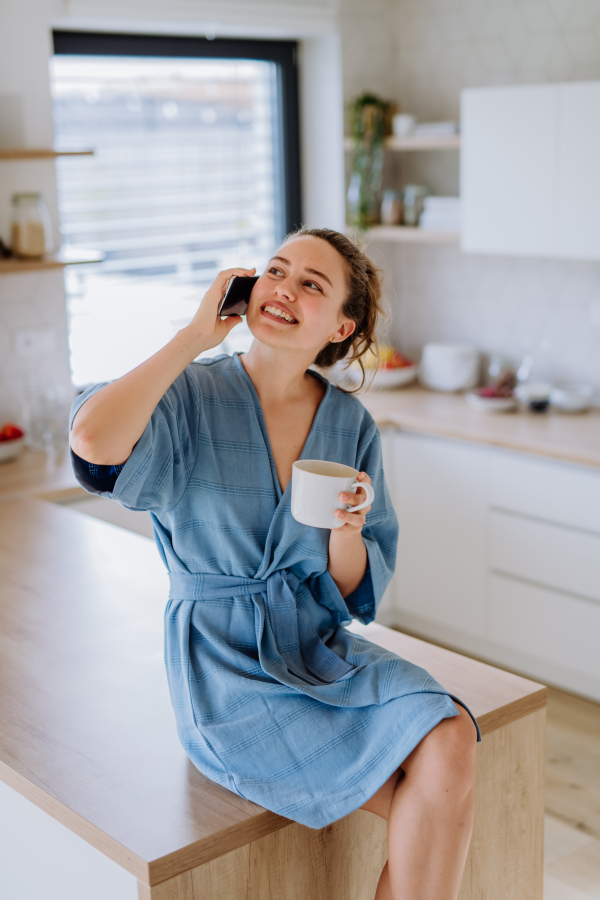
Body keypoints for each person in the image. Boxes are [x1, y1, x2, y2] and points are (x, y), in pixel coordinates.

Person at [69, 227, 480, 900]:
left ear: (341, 325)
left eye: (311, 284)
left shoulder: (349, 425)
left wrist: (348, 529)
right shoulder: (189, 395)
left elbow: (350, 592)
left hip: (315, 649)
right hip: (222, 669)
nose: (284, 288)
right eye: (276, 270)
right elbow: (92, 444)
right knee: (428, 781)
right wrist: (194, 337)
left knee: (452, 733)